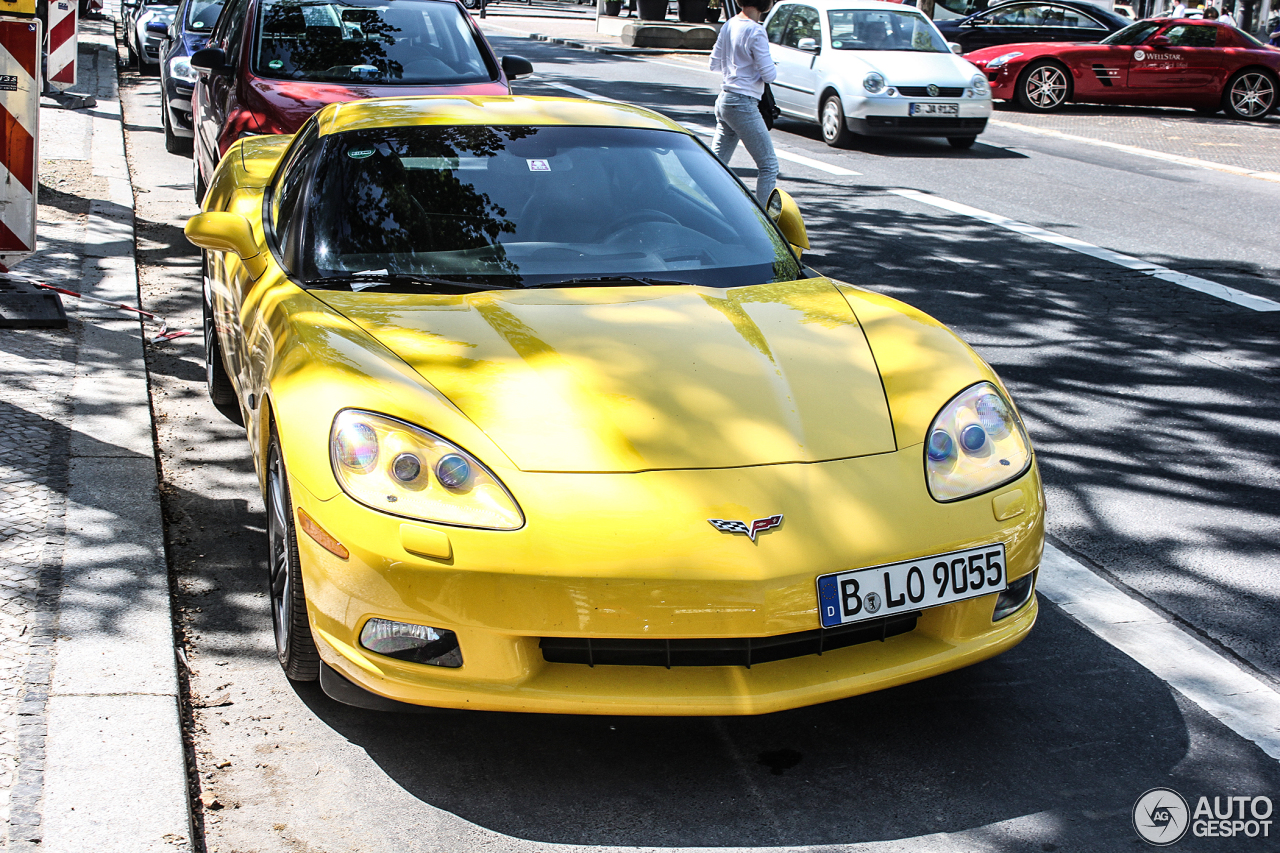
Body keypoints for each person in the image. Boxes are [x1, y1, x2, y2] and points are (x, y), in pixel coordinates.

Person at [709, 0, 779, 205]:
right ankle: (766, 223)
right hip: (743, 103)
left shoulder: (729, 24)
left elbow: (713, 64)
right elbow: (769, 74)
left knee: (715, 166)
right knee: (768, 165)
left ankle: (698, 207)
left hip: (725, 100)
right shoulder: (756, 31)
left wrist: (737, 67)